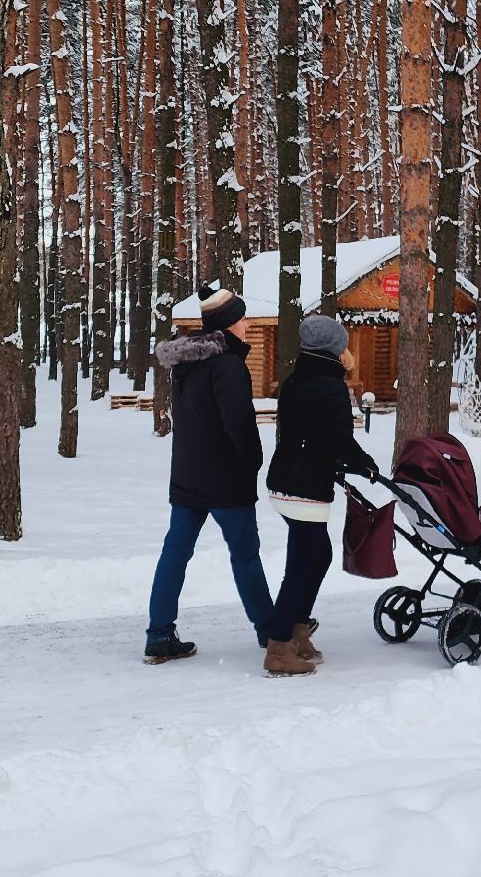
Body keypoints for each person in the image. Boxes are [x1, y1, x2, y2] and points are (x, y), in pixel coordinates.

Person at [143, 284, 275, 664]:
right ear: (229, 323)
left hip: (188, 474)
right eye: (243, 318)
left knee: (175, 551)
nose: (247, 324)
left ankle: (158, 634)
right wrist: (253, 461)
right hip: (226, 479)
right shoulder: (228, 365)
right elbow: (239, 424)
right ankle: (270, 630)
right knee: (245, 554)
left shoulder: (186, 363)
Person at [261, 315, 378, 677]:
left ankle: (296, 631)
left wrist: (339, 463)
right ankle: (278, 649)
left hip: (285, 482)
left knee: (318, 554)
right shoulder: (331, 387)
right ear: (334, 349)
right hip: (305, 489)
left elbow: (310, 434)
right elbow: (339, 440)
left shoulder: (295, 380)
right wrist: (365, 465)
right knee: (301, 567)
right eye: (344, 344)